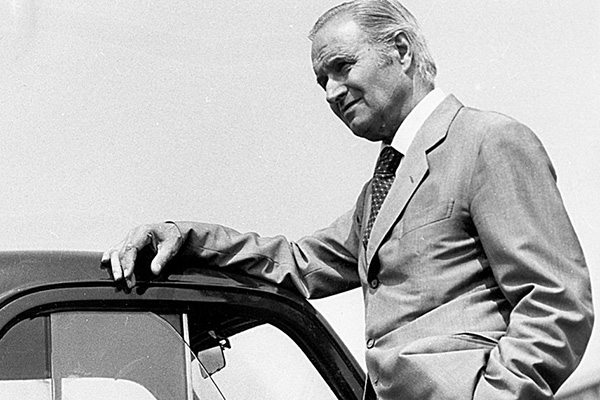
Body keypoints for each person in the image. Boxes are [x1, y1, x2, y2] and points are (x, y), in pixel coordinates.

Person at [102, 1, 594, 399]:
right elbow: (298, 264)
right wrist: (183, 238)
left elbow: (557, 302)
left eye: (342, 67)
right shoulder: (382, 188)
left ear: (400, 51)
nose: (332, 92)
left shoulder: (488, 140)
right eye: (322, 81)